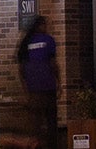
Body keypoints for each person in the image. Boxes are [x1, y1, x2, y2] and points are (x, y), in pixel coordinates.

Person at [18, 16, 61, 149]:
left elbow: (21, 70)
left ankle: (35, 145)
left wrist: (26, 89)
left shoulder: (25, 43)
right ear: (40, 25)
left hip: (33, 88)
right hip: (48, 85)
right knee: (51, 120)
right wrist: (59, 82)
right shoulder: (48, 40)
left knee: (35, 122)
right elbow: (53, 64)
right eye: (45, 24)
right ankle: (52, 146)